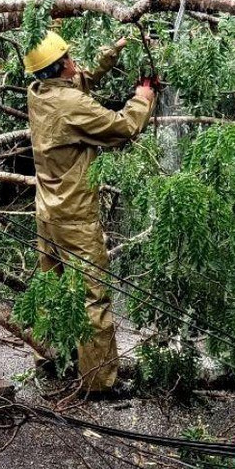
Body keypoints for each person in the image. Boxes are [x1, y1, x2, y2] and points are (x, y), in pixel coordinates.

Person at [24, 30, 156, 395]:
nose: (74, 62)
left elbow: (79, 83)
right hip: (76, 216)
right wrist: (142, 98)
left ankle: (52, 359)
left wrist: (113, 51)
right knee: (91, 296)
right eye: (69, 56)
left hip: (47, 210)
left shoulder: (39, 93)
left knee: (52, 289)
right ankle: (99, 382)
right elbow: (123, 128)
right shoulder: (72, 105)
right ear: (62, 64)